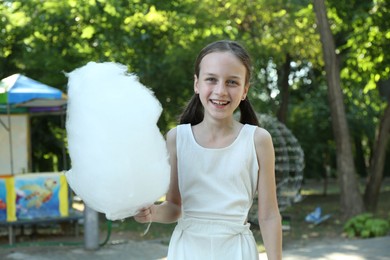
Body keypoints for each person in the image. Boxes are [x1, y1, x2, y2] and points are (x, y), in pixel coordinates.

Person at [134, 40, 282, 260]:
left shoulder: (258, 140)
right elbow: (174, 207)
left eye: (232, 82)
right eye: (211, 79)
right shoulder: (177, 138)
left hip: (237, 251)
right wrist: (152, 213)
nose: (220, 91)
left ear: (244, 90)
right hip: (187, 250)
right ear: (197, 84)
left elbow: (269, 215)